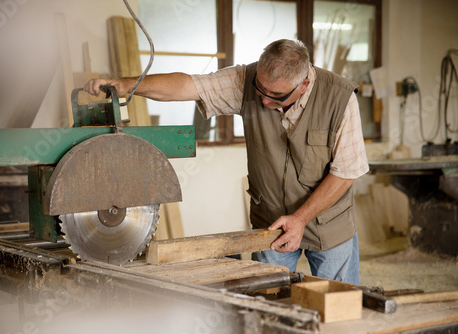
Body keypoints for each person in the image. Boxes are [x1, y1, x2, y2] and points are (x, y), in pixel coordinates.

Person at [84, 39, 369, 284]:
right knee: (266, 302)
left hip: (328, 226)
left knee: (340, 306)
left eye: (277, 96)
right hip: (270, 223)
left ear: (305, 83)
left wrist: (300, 219)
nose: (265, 101)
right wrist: (125, 85)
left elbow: (346, 172)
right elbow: (187, 86)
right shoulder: (246, 80)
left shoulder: (339, 98)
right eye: (261, 91)